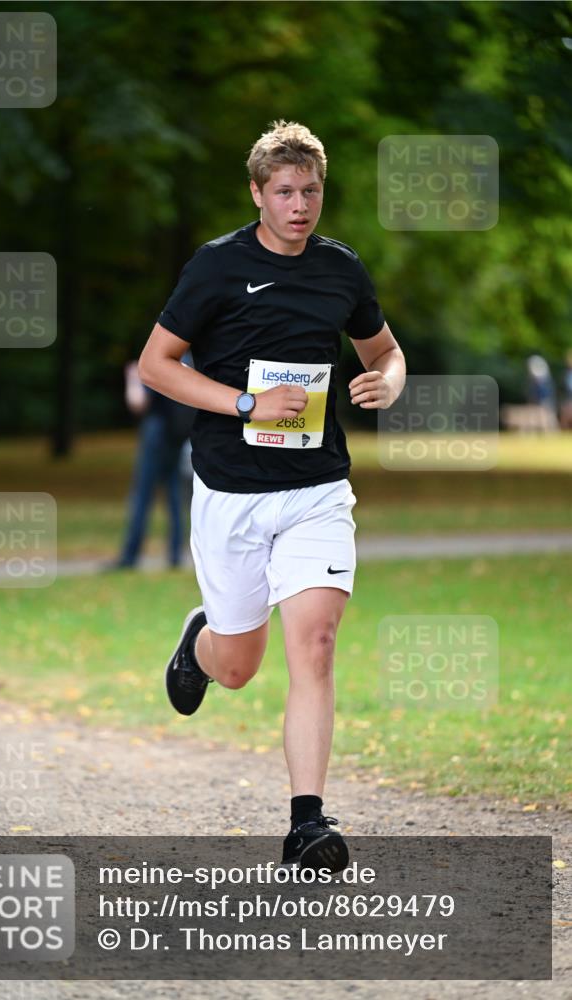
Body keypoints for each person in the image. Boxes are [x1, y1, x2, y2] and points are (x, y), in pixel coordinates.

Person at [139, 120, 406, 872]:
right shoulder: (217, 268)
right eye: (284, 192)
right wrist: (248, 406)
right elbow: (157, 364)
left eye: (310, 191)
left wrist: (383, 381)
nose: (299, 205)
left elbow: (384, 351)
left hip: (317, 489)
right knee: (237, 666)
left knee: (315, 646)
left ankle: (307, 824)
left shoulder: (340, 271)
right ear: (257, 193)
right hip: (230, 491)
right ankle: (200, 641)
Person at [116, 361, 195, 568]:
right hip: (176, 437)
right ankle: (175, 554)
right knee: (175, 495)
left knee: (142, 495)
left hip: (156, 433)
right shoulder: (187, 361)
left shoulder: (157, 361)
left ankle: (130, 556)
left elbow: (138, 402)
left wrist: (133, 377)